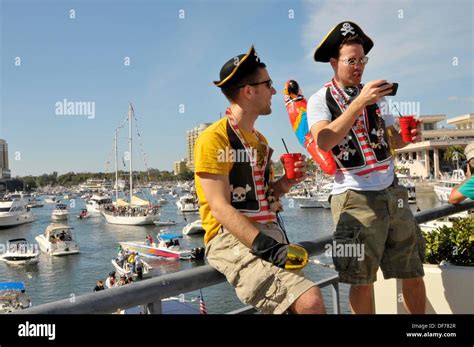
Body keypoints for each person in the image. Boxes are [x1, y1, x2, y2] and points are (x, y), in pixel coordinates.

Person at [194, 45, 325, 314]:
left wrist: (286, 183)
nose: (274, 92)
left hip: (266, 233)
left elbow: (262, 196)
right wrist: (268, 248)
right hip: (231, 238)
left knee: (297, 302)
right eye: (268, 84)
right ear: (249, 91)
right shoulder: (214, 139)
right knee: (309, 299)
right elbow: (219, 207)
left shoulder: (260, 141)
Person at [307, 21, 426, 314]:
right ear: (334, 63)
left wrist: (409, 135)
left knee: (412, 270)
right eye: (352, 60)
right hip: (354, 197)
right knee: (361, 280)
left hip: (393, 191)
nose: (358, 66)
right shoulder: (319, 100)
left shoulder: (377, 96)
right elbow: (324, 140)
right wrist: (359, 102)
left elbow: (391, 142)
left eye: (362, 60)